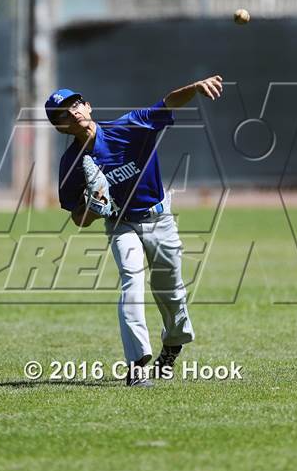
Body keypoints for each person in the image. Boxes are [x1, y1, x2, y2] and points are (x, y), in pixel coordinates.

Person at [45, 76, 223, 387]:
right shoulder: (70, 163)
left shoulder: (129, 127)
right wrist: (92, 205)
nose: (72, 111)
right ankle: (137, 364)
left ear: (87, 106)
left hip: (158, 217)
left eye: (75, 103)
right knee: (131, 281)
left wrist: (194, 89)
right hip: (121, 223)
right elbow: (78, 219)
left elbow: (167, 102)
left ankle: (173, 343)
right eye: (63, 112)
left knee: (171, 289)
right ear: (60, 126)